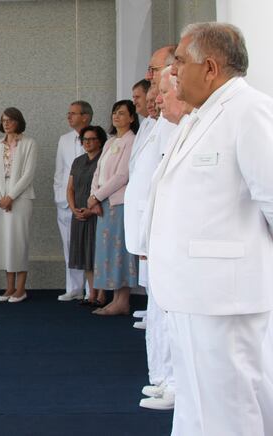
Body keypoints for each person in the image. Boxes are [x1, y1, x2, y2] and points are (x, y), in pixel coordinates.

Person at [146, 23, 273, 435]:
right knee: (198, 404)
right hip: (193, 293)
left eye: (180, 61)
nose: (173, 71)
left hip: (225, 296)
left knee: (230, 408)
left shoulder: (248, 110)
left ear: (211, 67)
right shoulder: (199, 116)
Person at [136, 65, 191, 411]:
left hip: (177, 242)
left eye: (164, 91)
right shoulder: (160, 126)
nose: (158, 98)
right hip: (157, 237)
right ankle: (163, 377)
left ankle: (172, 382)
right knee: (158, 312)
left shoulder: (186, 126)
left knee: (171, 315)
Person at [88, 100, 138, 316]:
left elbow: (122, 175)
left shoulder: (131, 141)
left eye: (121, 113)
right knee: (107, 250)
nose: (116, 117)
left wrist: (98, 196)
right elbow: (97, 172)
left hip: (119, 202)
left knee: (119, 251)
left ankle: (122, 300)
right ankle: (115, 298)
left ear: (132, 118)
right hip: (103, 204)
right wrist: (94, 197)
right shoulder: (109, 143)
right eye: (114, 113)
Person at [0, 108, 37, 303]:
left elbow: (28, 173)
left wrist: (11, 197)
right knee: (3, 241)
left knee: (18, 241)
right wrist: (0, 197)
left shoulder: (29, 143)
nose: (6, 123)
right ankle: (8, 287)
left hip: (20, 197)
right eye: (3, 120)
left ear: (18, 121)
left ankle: (21, 289)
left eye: (10, 120)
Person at [54, 101, 92, 302]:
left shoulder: (97, 137)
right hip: (66, 202)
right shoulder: (64, 139)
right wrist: (60, 197)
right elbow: (59, 172)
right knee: (69, 246)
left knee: (88, 247)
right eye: (68, 113)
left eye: (73, 113)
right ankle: (73, 288)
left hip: (89, 202)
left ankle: (90, 289)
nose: (69, 116)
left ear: (85, 116)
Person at [66, 125, 106, 307]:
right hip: (79, 213)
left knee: (97, 253)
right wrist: (74, 209)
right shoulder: (77, 161)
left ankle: (102, 295)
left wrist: (90, 209)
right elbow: (70, 188)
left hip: (97, 212)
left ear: (100, 141)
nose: (88, 143)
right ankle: (91, 294)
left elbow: (105, 188)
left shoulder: (104, 159)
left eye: (92, 139)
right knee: (85, 254)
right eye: (85, 140)